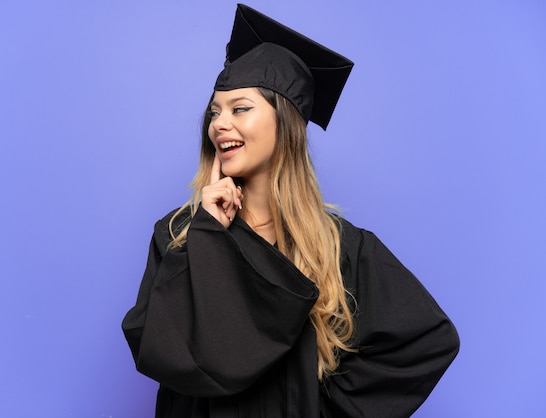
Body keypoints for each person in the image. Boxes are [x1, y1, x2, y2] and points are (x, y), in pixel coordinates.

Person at [122, 4, 459, 417]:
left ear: (285, 122)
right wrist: (207, 233)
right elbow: (155, 346)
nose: (219, 124)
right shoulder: (178, 234)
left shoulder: (337, 247)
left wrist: (321, 407)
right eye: (214, 112)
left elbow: (428, 340)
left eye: (239, 108)